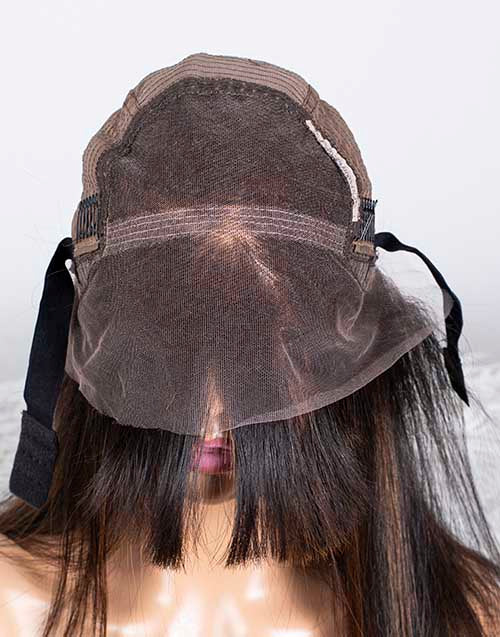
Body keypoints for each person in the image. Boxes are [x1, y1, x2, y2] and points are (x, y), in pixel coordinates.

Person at [0, 52, 499, 636]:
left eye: (257, 356)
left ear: (341, 360)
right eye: (177, 347)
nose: (215, 411)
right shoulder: (12, 605)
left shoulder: (466, 615)